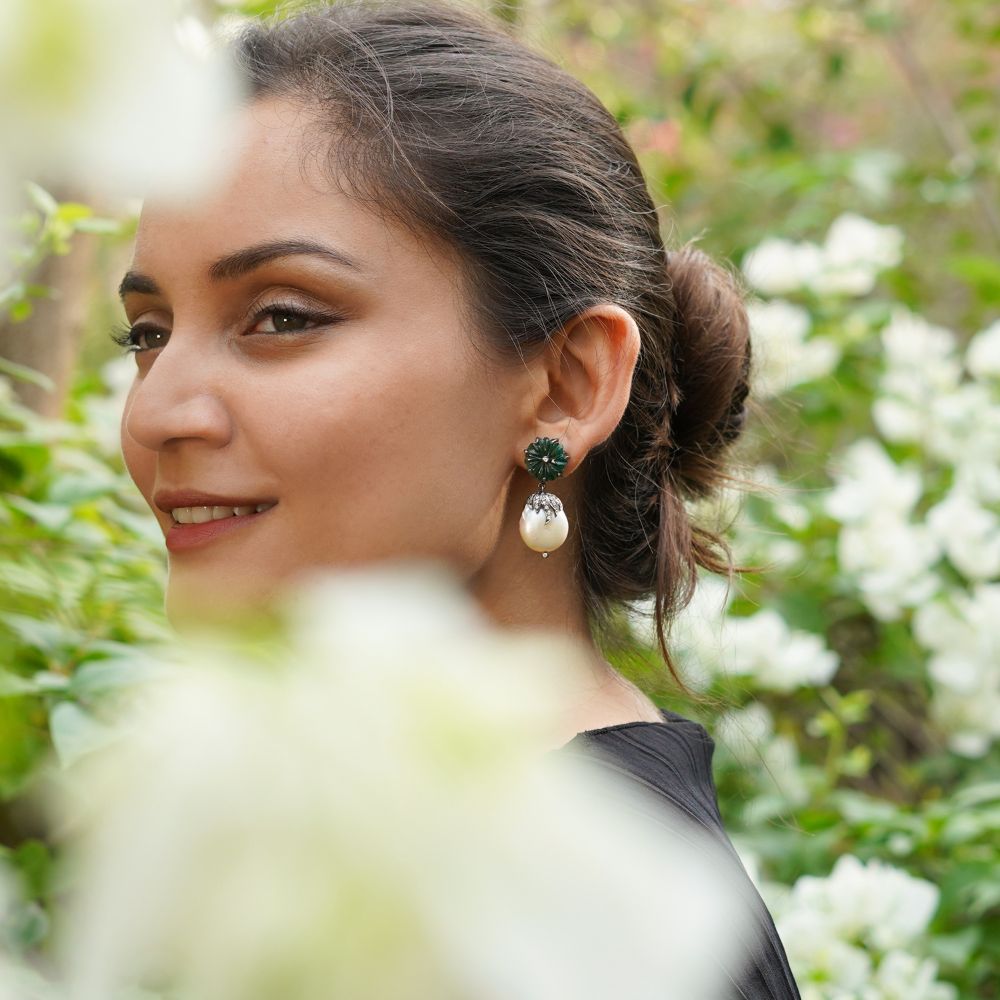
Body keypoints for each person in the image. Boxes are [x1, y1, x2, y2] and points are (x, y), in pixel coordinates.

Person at [113, 1, 800, 996]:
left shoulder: (597, 931)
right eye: (147, 334)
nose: (159, 410)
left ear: (564, 387)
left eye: (281, 316)